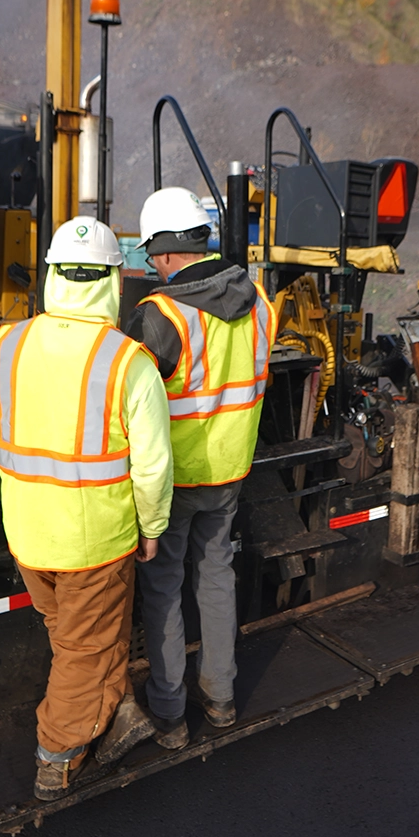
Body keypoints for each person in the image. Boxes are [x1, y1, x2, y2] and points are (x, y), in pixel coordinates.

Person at [0, 216, 173, 801]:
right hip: (94, 545)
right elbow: (152, 467)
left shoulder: (6, 345)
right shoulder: (128, 363)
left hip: (29, 538)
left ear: (51, 277)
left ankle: (110, 710)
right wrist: (153, 527)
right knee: (84, 647)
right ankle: (56, 755)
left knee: (78, 636)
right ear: (115, 283)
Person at [122, 187, 275, 750]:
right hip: (231, 471)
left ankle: (169, 715)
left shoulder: (158, 315)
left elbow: (127, 403)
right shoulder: (259, 301)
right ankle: (222, 698)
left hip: (174, 481)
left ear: (163, 253)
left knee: (163, 589)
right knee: (216, 576)